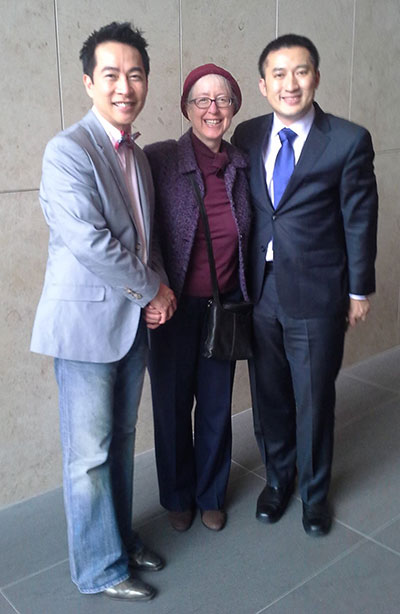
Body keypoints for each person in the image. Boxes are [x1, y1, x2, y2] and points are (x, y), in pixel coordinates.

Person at [30, 22, 177, 601]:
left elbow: (146, 238)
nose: (125, 86)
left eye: (135, 74)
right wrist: (153, 292)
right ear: (89, 82)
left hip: (130, 323)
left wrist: (159, 287)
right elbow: (91, 242)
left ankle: (116, 539)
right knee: (88, 455)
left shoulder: (137, 157)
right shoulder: (67, 150)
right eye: (111, 74)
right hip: (86, 325)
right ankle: (97, 569)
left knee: (119, 441)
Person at [232, 34, 378, 536]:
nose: (289, 83)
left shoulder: (348, 139)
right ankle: (279, 481)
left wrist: (360, 291)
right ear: (262, 84)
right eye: (278, 74)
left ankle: (315, 495)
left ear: (316, 76)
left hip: (318, 293)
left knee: (314, 399)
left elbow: (360, 219)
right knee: (269, 395)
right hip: (261, 289)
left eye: (300, 71)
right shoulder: (247, 137)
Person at [144, 64, 251, 533]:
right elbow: (143, 233)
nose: (213, 109)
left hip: (223, 307)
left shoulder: (243, 166)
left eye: (222, 100)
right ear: (186, 108)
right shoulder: (161, 159)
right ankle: (177, 496)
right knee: (170, 408)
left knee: (214, 407)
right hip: (172, 308)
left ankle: (210, 493)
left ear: (234, 109)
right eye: (202, 100)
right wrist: (152, 288)